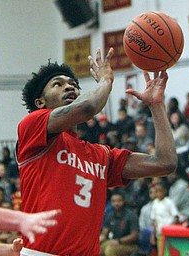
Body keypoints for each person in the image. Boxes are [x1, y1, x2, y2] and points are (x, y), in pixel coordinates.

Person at [16, 48, 177, 255]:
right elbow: (87, 108)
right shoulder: (32, 127)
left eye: (73, 85)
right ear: (40, 103)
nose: (69, 87)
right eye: (58, 84)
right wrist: (105, 82)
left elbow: (164, 163)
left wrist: (156, 106)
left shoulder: (101, 155)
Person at [99, 190, 139, 256]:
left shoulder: (131, 215)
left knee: (110, 250)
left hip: (130, 245)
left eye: (119, 201)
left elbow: (134, 236)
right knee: (96, 249)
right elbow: (104, 233)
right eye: (113, 201)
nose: (116, 203)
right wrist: (96, 242)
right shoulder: (110, 215)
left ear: (123, 201)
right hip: (112, 242)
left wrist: (118, 241)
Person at [150, 182, 179, 256]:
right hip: (159, 233)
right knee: (161, 253)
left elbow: (176, 217)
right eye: (156, 192)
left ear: (165, 191)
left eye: (161, 191)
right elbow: (154, 220)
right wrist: (153, 234)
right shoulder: (154, 203)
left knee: (169, 252)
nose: (159, 194)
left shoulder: (169, 202)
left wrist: (170, 228)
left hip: (169, 233)